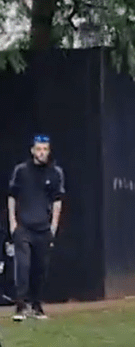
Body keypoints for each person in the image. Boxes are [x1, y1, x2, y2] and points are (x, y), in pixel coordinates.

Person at [7, 134, 66, 321]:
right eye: (39, 149)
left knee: (40, 269)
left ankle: (36, 305)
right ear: (32, 150)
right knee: (23, 266)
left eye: (45, 149)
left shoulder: (55, 173)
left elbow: (58, 201)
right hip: (23, 226)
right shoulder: (21, 171)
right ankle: (21, 306)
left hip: (43, 228)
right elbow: (12, 196)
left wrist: (53, 228)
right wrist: (13, 223)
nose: (42, 153)